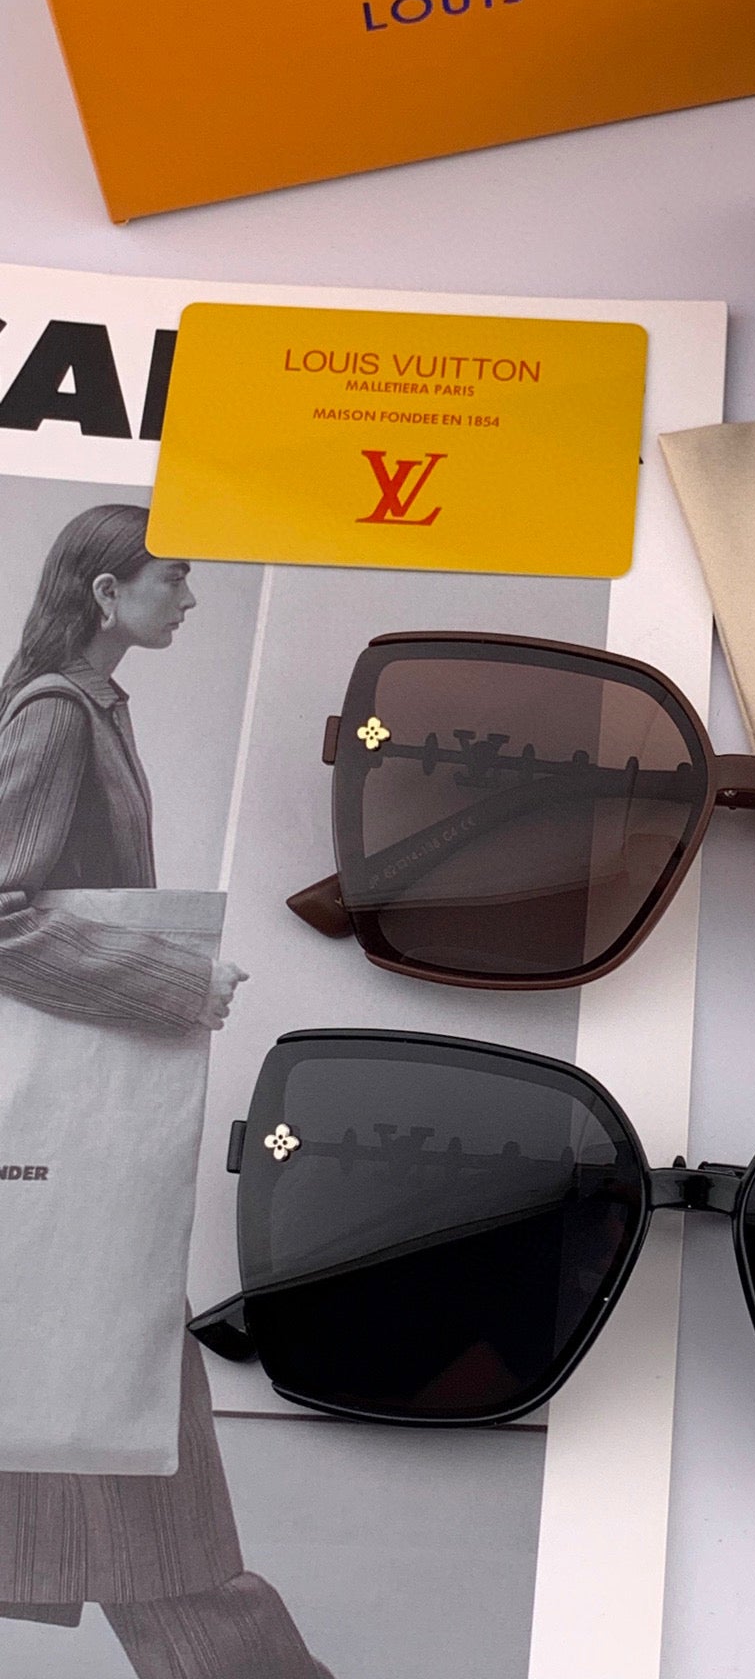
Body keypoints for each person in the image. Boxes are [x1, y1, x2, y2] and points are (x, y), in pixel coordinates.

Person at [0, 503, 333, 1679]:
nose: (190, 598)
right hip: (63, 1159)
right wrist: (174, 979)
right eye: (174, 578)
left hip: (59, 1163)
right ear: (106, 593)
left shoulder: (82, 706)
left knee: (108, 1440)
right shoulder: (56, 715)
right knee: (138, 1455)